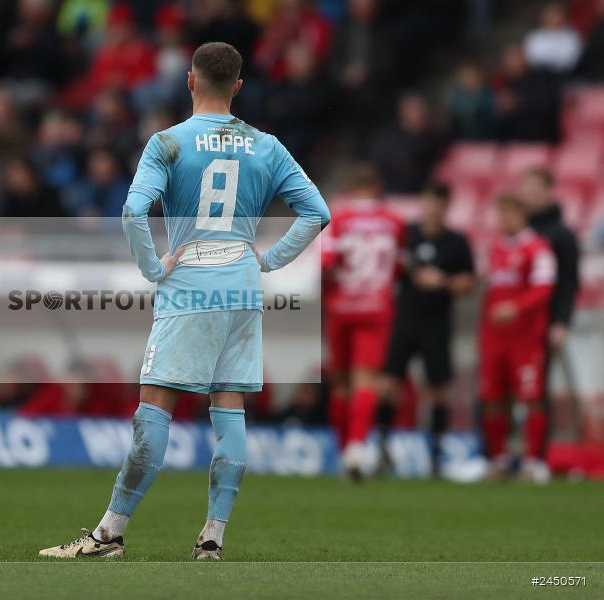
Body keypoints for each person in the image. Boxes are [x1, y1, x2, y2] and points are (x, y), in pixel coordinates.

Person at [38, 42, 330, 560]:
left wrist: (154, 267)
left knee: (155, 409)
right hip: (241, 280)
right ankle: (212, 539)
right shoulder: (267, 145)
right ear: (238, 87)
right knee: (230, 406)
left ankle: (109, 535)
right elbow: (316, 212)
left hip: (191, 278)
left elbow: (132, 213)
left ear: (190, 82)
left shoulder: (167, 142)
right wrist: (267, 259)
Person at [378, 184, 475, 475]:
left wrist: (442, 281)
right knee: (388, 386)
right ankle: (383, 449)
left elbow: (469, 283)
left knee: (437, 391)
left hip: (437, 324)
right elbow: (390, 265)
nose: (433, 210)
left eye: (438, 205)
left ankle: (435, 455)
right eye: (429, 203)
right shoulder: (406, 234)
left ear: (446, 207)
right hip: (405, 320)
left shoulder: (457, 242)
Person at [321, 164, 405, 480]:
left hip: (342, 306)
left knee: (341, 382)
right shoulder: (393, 220)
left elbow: (326, 262)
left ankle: (345, 451)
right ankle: (357, 446)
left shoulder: (339, 218)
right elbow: (397, 267)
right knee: (364, 379)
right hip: (376, 307)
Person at [479, 193, 556, 484]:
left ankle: (533, 462)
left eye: (509, 214)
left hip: (525, 338)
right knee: (493, 399)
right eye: (501, 214)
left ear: (522, 215)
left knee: (531, 398)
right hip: (495, 338)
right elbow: (490, 295)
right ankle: (499, 459)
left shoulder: (538, 248)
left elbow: (544, 289)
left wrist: (516, 307)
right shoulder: (495, 249)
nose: (504, 220)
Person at [519, 167, 580, 460]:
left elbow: (569, 282)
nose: (528, 194)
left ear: (547, 190)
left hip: (542, 322)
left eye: (534, 188)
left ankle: (538, 455)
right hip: (513, 324)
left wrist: (561, 322)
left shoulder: (561, 236)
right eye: (525, 188)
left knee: (536, 389)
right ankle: (500, 453)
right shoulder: (516, 232)